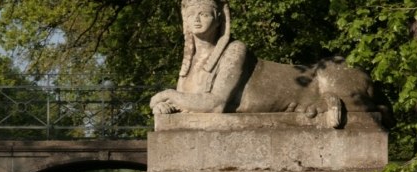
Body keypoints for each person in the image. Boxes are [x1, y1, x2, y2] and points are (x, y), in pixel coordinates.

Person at [150, 0, 376, 127]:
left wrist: (167, 95)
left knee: (330, 74)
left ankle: (331, 100)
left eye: (204, 14)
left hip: (316, 80)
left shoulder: (234, 50)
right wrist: (163, 105)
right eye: (191, 15)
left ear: (219, 18)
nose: (197, 20)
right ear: (185, 21)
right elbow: (188, 103)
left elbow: (215, 104)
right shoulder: (191, 62)